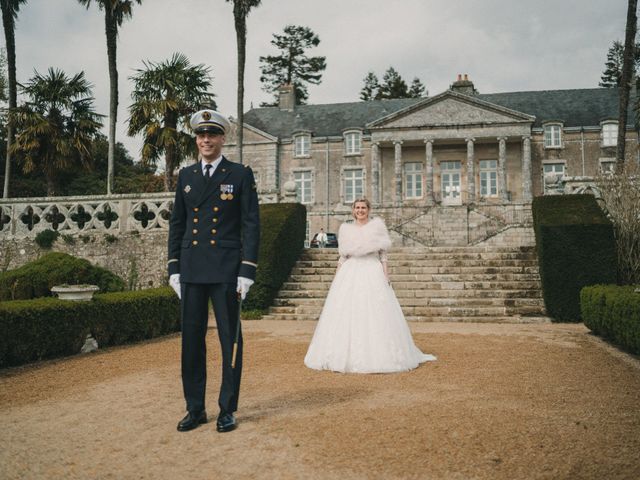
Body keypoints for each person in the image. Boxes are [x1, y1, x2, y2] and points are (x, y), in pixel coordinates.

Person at [167, 109, 260, 433]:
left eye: (212, 135)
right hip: (192, 269)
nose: (206, 140)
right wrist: (174, 267)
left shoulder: (239, 174)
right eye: (201, 135)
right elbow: (177, 224)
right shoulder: (187, 176)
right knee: (191, 343)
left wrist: (246, 270)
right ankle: (195, 409)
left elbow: (251, 224)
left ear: (223, 138)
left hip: (225, 271)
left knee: (229, 341)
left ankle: (226, 409)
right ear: (197, 140)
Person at [304, 198, 436, 373]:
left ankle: (380, 354)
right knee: (347, 312)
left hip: (372, 271)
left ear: (369, 209)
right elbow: (343, 257)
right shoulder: (346, 229)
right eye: (357, 208)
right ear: (353, 210)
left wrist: (386, 275)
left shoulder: (377, 228)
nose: (360, 210)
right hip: (350, 272)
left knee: (376, 311)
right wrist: (336, 277)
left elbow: (383, 256)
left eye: (363, 208)